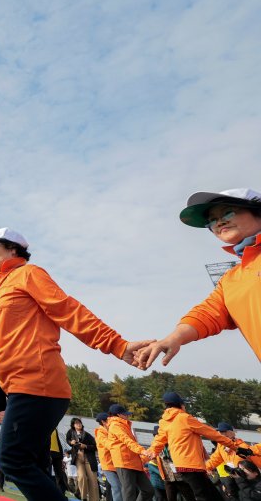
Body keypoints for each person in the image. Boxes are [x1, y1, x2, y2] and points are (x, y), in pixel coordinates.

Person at [0, 227, 151, 500]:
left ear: (13, 249)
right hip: (20, 388)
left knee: (12, 458)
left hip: (37, 383)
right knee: (35, 463)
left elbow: (69, 310)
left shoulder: (29, 274)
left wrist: (117, 345)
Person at [136, 188, 261, 370]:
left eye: (228, 212)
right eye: (212, 220)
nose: (219, 222)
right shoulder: (231, 280)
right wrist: (174, 338)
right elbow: (208, 314)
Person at [147, 392, 236, 501]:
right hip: (192, 464)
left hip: (181, 465)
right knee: (203, 495)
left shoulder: (164, 422)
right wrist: (234, 445)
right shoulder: (185, 418)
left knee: (212, 494)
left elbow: (158, 441)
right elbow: (211, 433)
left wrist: (149, 452)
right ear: (180, 404)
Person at [108, 404, 154, 501]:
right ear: (119, 415)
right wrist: (142, 451)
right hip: (124, 463)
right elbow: (127, 441)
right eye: (126, 414)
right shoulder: (115, 426)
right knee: (129, 492)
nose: (128, 416)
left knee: (148, 490)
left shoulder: (124, 425)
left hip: (135, 462)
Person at [206, 423, 261, 499]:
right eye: (221, 432)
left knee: (247, 496)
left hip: (245, 479)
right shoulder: (221, 446)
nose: (223, 434)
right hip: (232, 478)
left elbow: (256, 459)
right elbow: (215, 459)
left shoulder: (242, 446)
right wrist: (206, 468)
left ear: (232, 432)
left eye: (225, 431)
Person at [67, 417, 100, 501]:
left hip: (89, 458)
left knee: (93, 480)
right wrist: (71, 442)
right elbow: (68, 440)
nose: (79, 424)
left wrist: (85, 446)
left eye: (80, 423)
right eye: (76, 423)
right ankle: (83, 497)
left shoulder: (87, 434)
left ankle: (94, 499)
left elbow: (95, 446)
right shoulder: (71, 432)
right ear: (73, 425)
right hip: (78, 457)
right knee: (82, 477)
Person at [94, 412, 123, 501]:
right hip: (108, 465)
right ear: (103, 421)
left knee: (120, 487)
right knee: (116, 487)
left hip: (116, 463)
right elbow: (108, 444)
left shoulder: (110, 430)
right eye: (109, 420)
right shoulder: (100, 433)